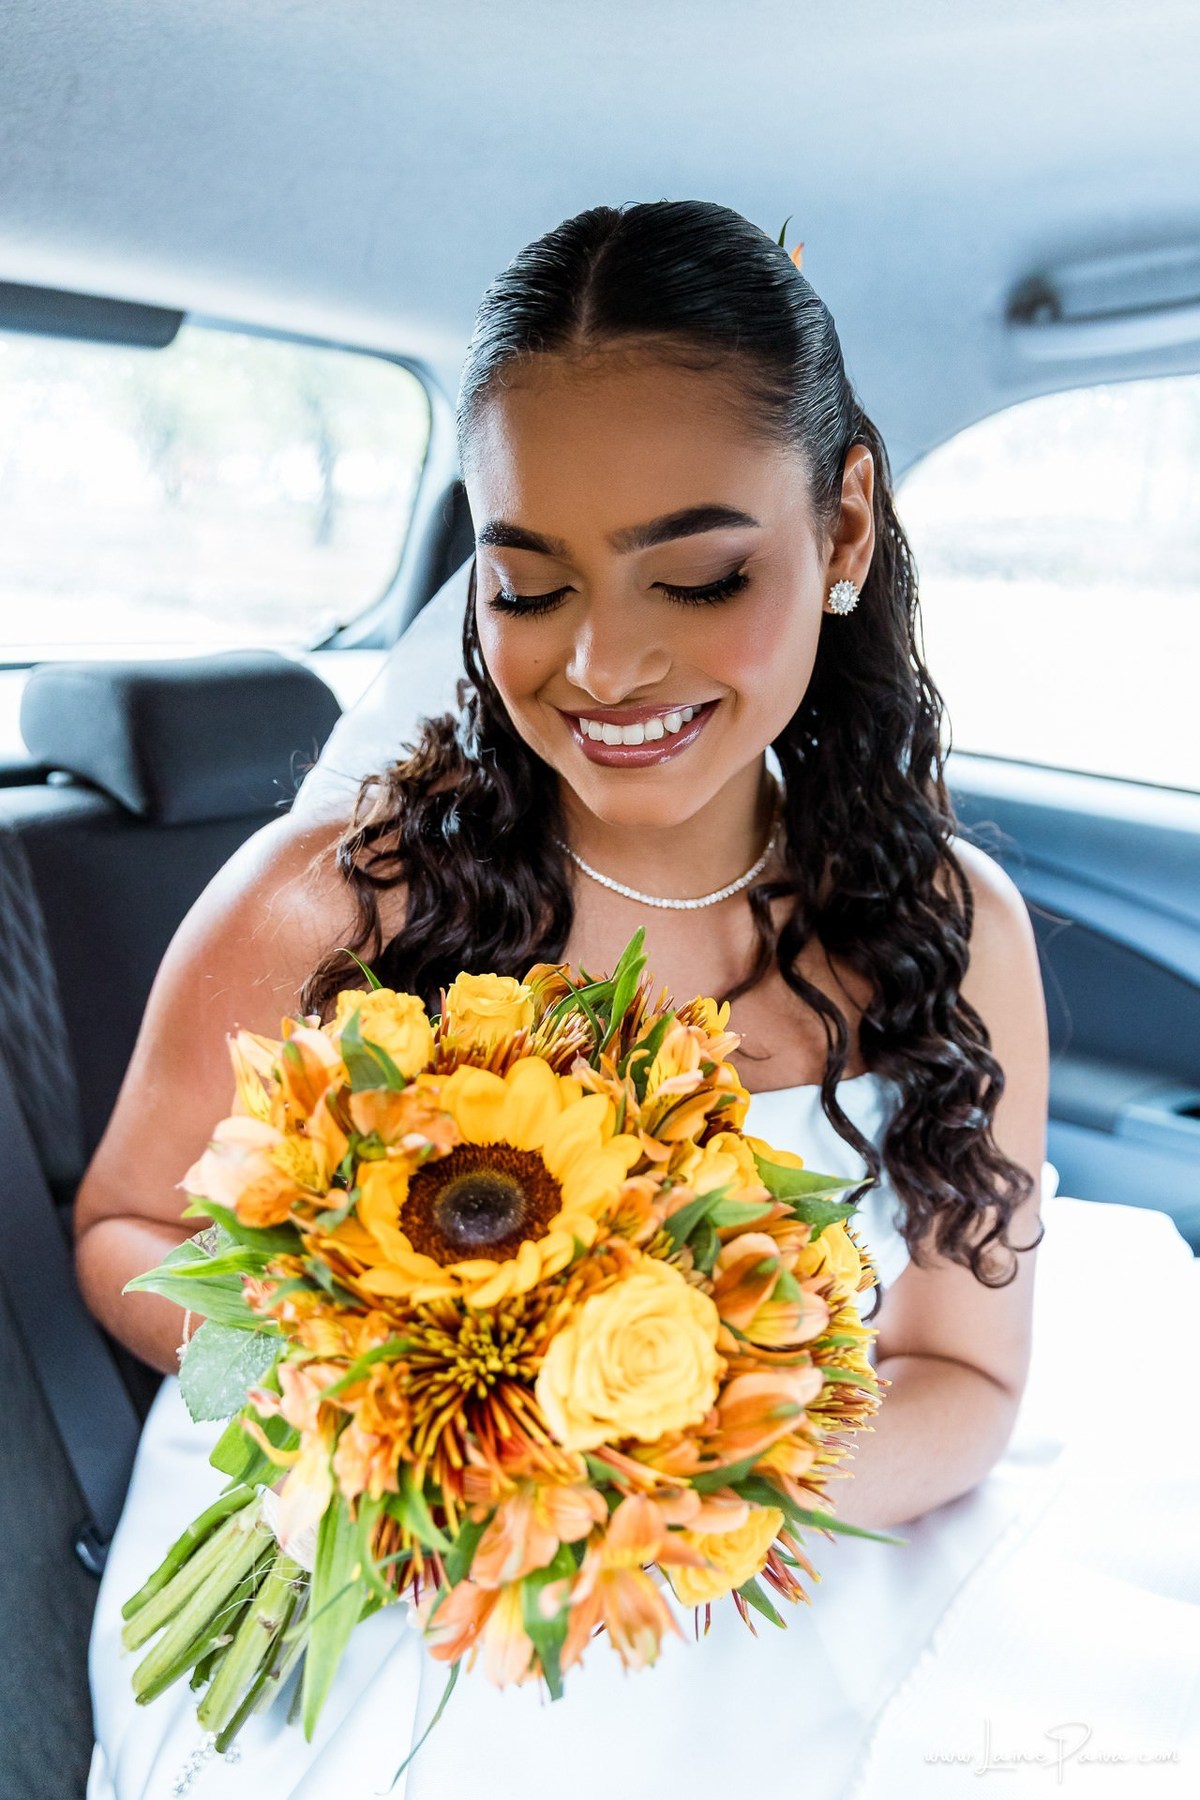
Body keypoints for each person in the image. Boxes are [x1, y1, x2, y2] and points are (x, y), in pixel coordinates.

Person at [79, 198, 1056, 1798]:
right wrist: (372, 1390)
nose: (604, 666)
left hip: (779, 1556)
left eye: (696, 577)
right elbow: (126, 1226)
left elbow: (967, 1375)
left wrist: (669, 1485)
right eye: (531, 587)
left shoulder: (952, 935)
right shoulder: (327, 905)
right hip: (379, 1571)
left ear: (848, 534)